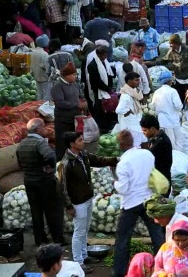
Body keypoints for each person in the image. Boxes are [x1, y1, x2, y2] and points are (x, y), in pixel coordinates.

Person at [59, 132, 118, 273]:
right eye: (80, 140)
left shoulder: (83, 155)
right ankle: (78, 262)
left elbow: (98, 160)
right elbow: (62, 187)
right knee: (79, 232)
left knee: (85, 230)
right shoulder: (66, 163)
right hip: (77, 202)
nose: (83, 141)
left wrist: (115, 159)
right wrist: (68, 206)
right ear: (72, 144)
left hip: (87, 198)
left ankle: (84, 256)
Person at [112, 130, 165, 277]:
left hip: (131, 204)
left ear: (121, 145)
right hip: (149, 200)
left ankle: (119, 272)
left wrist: (114, 183)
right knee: (157, 235)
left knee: (123, 239)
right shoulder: (147, 154)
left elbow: (123, 189)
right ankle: (162, 266)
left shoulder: (123, 163)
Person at [17, 118, 65, 247]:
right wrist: (49, 168)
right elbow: (49, 156)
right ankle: (57, 239)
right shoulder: (39, 143)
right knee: (51, 210)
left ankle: (40, 240)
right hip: (44, 181)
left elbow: (19, 163)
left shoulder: (21, 144)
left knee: (36, 211)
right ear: (38, 129)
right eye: (43, 127)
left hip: (29, 181)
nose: (45, 129)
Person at [51, 61, 86, 161]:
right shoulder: (57, 87)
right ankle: (60, 164)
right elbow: (60, 102)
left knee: (74, 142)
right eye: (73, 74)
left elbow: (80, 95)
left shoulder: (74, 84)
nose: (75, 76)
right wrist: (76, 105)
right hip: (63, 120)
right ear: (66, 75)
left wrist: (84, 102)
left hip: (74, 119)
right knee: (62, 144)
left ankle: (74, 160)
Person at [150, 72, 183, 150]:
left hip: (163, 122)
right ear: (169, 81)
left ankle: (173, 159)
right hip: (173, 120)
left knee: (169, 143)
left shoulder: (157, 92)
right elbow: (178, 106)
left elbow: (153, 107)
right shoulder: (172, 91)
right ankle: (180, 157)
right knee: (178, 141)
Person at [86, 44, 114, 131]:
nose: (105, 57)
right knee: (99, 111)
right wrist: (107, 88)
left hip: (105, 89)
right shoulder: (93, 65)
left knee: (107, 110)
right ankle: (100, 128)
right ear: (99, 54)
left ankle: (107, 126)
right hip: (98, 91)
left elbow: (109, 74)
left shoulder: (105, 63)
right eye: (104, 55)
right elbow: (96, 81)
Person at [140, 114, 173, 185]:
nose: (143, 133)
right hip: (156, 179)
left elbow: (147, 155)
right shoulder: (153, 138)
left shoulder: (162, 142)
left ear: (152, 129)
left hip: (161, 182)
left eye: (145, 130)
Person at [115, 72, 146, 147]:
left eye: (138, 80)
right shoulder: (126, 95)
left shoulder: (134, 91)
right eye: (136, 80)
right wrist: (129, 111)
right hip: (130, 123)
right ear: (129, 81)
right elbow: (118, 110)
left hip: (135, 120)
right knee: (135, 143)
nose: (138, 82)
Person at [32, 35, 51, 101]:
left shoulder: (33, 53)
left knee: (39, 95)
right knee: (46, 95)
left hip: (36, 76)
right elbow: (46, 66)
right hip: (44, 78)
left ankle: (37, 108)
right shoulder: (44, 54)